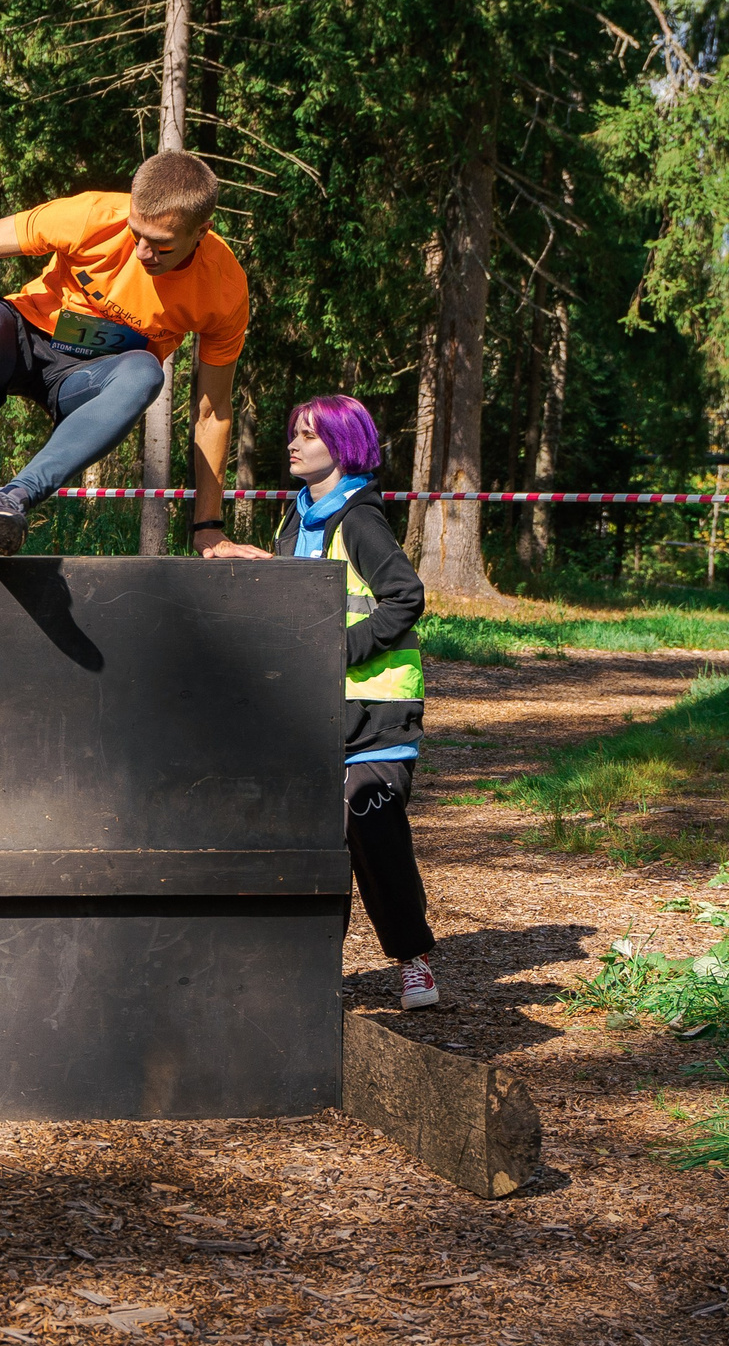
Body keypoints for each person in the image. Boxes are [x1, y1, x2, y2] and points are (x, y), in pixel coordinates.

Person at [0, 151, 271, 559]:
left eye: (161, 245)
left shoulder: (223, 289)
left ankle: (11, 501)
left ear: (202, 232)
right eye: (136, 234)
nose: (141, 253)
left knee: (146, 373)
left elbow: (212, 412)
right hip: (23, 342)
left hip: (89, 380)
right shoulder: (92, 215)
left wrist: (209, 526)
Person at [272, 394, 438, 1012]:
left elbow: (405, 597)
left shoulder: (360, 520)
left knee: (372, 833)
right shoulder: (296, 519)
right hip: (311, 718)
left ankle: (414, 961)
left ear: (343, 447)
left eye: (309, 435)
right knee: (318, 843)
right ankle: (317, 975)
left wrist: (336, 650)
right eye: (294, 432)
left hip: (376, 717)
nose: (293, 442)